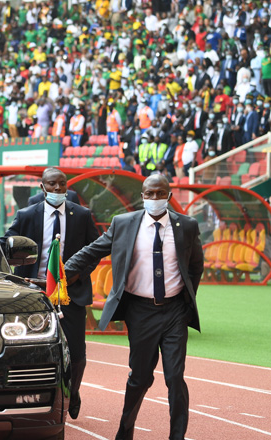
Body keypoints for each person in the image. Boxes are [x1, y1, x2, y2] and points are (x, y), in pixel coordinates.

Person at [64, 174, 203, 440]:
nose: (154, 199)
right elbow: (92, 251)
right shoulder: (124, 224)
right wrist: (62, 271)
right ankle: (125, 430)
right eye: (149, 194)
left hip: (174, 311)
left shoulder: (186, 225)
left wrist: (186, 301)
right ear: (142, 196)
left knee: (175, 378)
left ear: (169, 196)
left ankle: (177, 436)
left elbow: (196, 266)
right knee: (139, 378)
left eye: (160, 193)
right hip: (140, 312)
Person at [0, 168, 100, 421]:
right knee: (29, 350)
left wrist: (78, 273)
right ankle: (28, 398)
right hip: (34, 289)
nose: (57, 190)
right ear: (43, 187)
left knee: (76, 353)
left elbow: (96, 247)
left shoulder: (82, 215)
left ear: (67, 187)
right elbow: (8, 241)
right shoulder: (27, 215)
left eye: (62, 185)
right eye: (52, 185)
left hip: (70, 292)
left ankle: (73, 392)